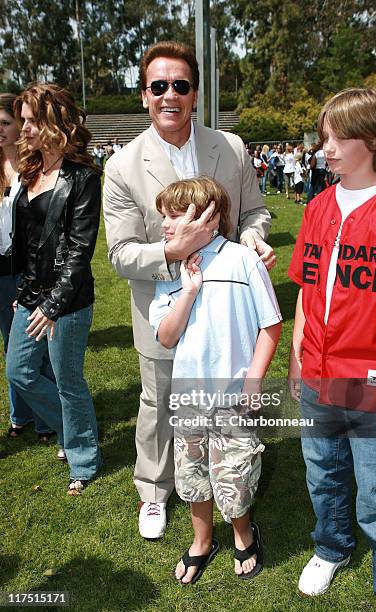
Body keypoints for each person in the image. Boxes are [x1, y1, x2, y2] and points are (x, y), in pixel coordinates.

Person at [103, 40, 276, 540]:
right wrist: (178, 253)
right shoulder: (122, 166)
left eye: (180, 85)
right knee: (159, 402)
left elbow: (256, 212)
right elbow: (120, 253)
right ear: (144, 96)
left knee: (226, 400)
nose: (169, 95)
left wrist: (250, 237)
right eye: (159, 86)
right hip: (164, 309)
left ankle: (234, 476)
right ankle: (154, 491)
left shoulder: (232, 147)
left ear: (195, 93)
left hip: (227, 315)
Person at [288, 87, 376, 609]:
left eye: (339, 136)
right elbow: (306, 288)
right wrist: (295, 355)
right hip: (316, 373)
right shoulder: (317, 206)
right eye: (323, 137)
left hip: (372, 379)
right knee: (322, 472)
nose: (327, 147)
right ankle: (332, 546)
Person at [149, 176, 282, 583]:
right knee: (192, 475)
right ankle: (202, 541)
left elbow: (270, 324)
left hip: (233, 398)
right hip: (189, 397)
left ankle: (243, 534)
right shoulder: (171, 270)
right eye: (164, 218)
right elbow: (167, 336)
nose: (165, 226)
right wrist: (188, 291)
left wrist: (254, 380)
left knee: (235, 471)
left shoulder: (242, 260)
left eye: (174, 216)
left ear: (209, 217)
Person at [6, 83, 103, 495]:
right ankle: (74, 431)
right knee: (20, 370)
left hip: (69, 301)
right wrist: (26, 293)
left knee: (67, 380)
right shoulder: (29, 172)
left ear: (54, 123)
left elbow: (80, 250)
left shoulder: (83, 177)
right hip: (31, 297)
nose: (24, 129)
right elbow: (28, 243)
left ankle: (83, 457)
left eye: (31, 120)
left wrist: (53, 304)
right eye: (23, 120)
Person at [0, 93, 53, 442]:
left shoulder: (33, 165)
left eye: (5, 123)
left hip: (28, 266)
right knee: (11, 344)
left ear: (20, 125)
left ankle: (48, 419)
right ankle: (20, 414)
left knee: (38, 343)